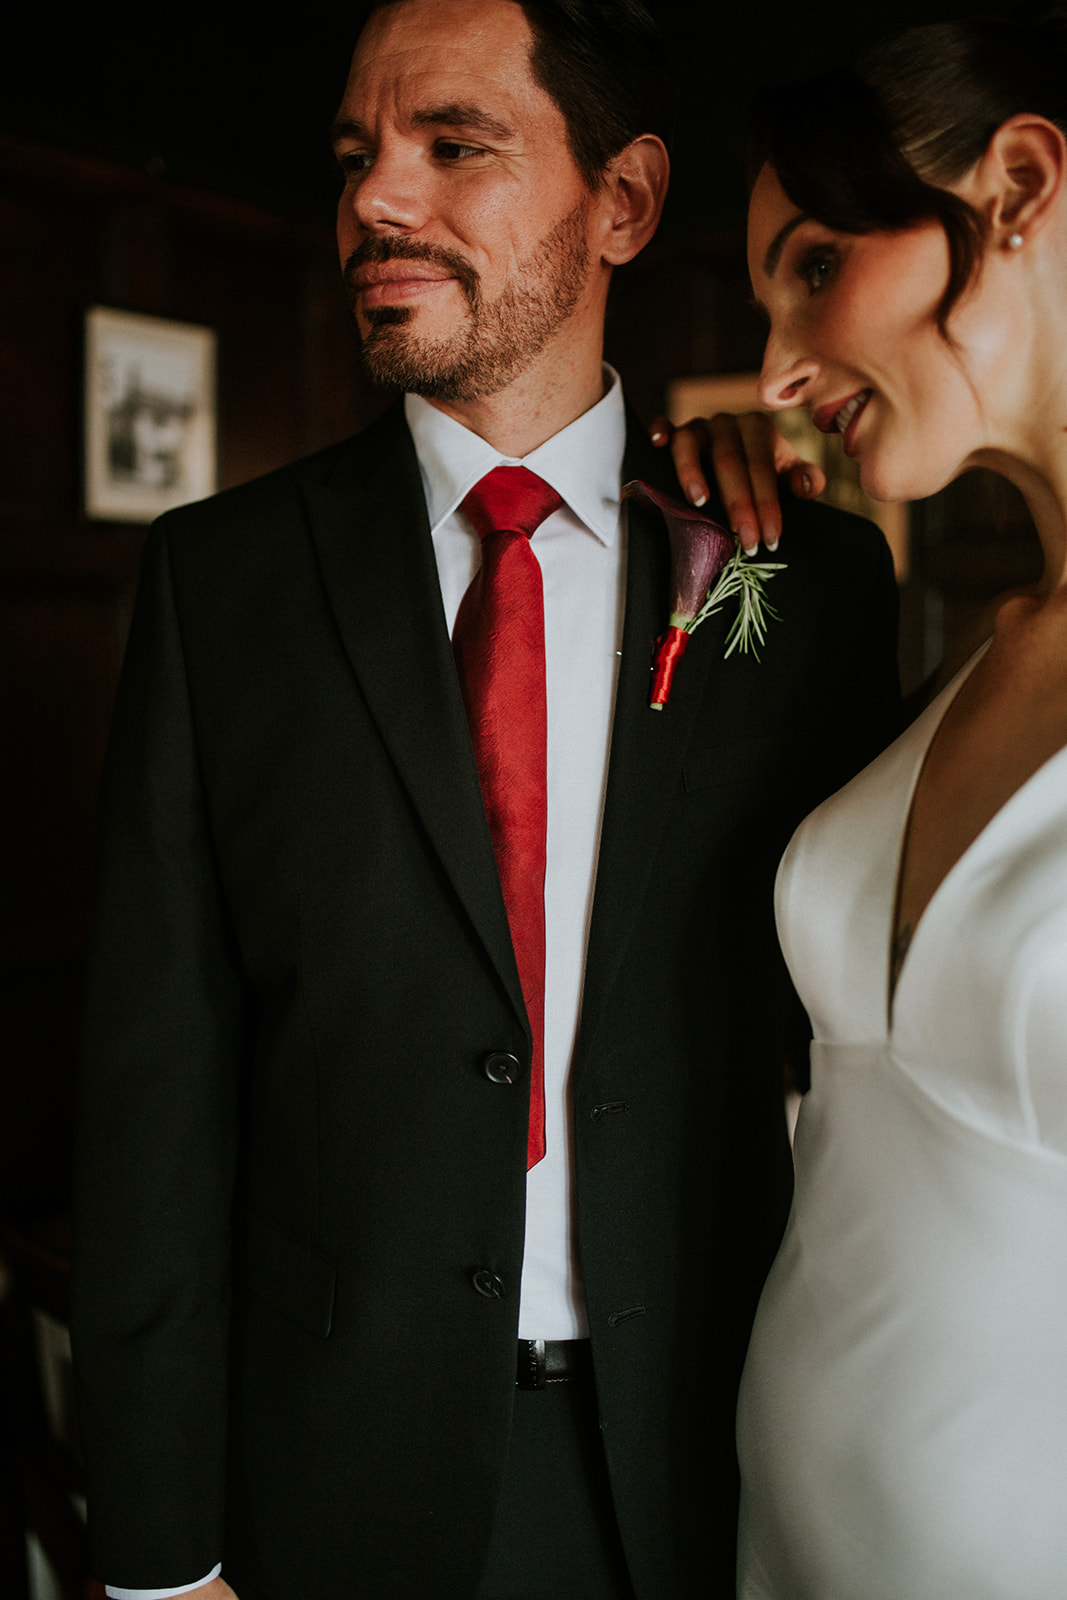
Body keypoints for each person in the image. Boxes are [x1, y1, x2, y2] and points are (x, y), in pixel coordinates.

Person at [68, 3, 900, 1598]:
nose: (378, 199)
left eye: (455, 146)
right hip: (337, 1467)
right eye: (358, 155)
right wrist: (162, 1557)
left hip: (721, 1450)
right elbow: (153, 1099)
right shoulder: (218, 585)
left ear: (626, 204)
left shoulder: (802, 582)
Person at [671, 9, 1067, 1597]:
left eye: (818, 263)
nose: (775, 362)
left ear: (1021, 183)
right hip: (775, 1529)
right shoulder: (976, 659)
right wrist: (685, 543)